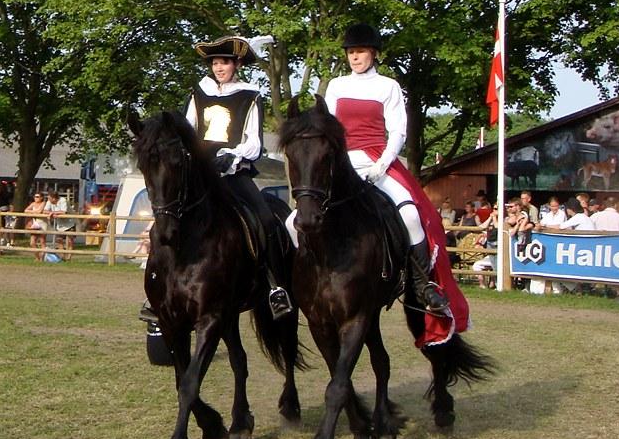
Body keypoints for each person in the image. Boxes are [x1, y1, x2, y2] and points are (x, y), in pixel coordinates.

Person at [149, 34, 292, 321]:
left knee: (265, 219)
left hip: (233, 173)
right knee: (166, 219)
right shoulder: (198, 93)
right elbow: (186, 131)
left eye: (224, 62)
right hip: (201, 176)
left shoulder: (249, 96)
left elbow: (254, 140)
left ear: (236, 64)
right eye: (215, 62)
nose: (218, 67)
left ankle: (275, 287)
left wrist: (233, 154)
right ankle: (156, 289)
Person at [320, 23, 454, 313]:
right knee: (298, 219)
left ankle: (422, 284)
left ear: (374, 54)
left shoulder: (388, 86)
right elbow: (328, 128)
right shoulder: (336, 86)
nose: (355, 58)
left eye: (361, 52)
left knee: (410, 214)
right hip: (343, 164)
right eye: (351, 52)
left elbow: (398, 133)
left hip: (377, 161)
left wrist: (381, 166)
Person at [472, 203, 500, 289]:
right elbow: (482, 227)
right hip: (490, 245)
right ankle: (483, 285)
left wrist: (495, 217)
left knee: (497, 267)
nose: (494, 211)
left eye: (496, 209)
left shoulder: (504, 219)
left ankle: (497, 286)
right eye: (494, 209)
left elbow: (498, 227)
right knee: (478, 265)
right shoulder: (491, 219)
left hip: (499, 246)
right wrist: (490, 217)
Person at [44, 190, 76, 260]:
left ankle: (69, 258)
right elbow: (45, 210)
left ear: (54, 198)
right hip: (60, 224)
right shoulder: (49, 202)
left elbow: (63, 212)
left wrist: (52, 213)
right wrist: (52, 213)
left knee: (70, 241)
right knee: (59, 240)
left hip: (70, 223)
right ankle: (63, 257)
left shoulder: (63, 200)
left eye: (49, 198)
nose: (48, 200)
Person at [24, 192, 47, 260]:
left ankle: (42, 258)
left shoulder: (44, 203)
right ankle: (37, 257)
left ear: (41, 197)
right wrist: (34, 212)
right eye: (35, 197)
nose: (36, 198)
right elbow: (26, 210)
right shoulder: (33, 204)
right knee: (32, 242)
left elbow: (40, 211)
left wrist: (33, 212)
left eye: (37, 197)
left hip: (43, 223)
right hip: (35, 224)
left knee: (42, 241)